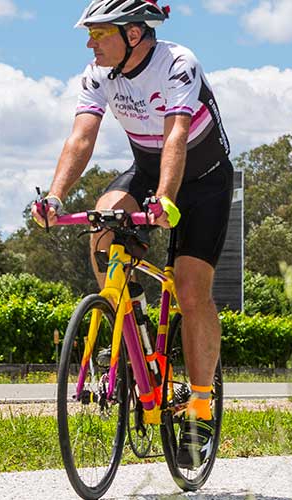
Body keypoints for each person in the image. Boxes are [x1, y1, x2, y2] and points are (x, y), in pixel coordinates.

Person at [30, 0, 232, 467]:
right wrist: (55, 198)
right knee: (103, 220)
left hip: (203, 183)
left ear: (134, 34)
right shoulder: (98, 74)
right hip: (146, 167)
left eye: (99, 34)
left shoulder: (178, 63)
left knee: (190, 290)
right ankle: (127, 329)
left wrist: (165, 199)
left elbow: (177, 136)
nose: (89, 42)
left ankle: (199, 405)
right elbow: (82, 137)